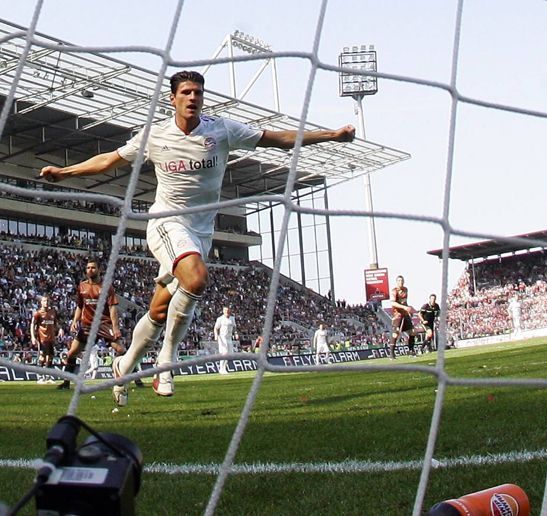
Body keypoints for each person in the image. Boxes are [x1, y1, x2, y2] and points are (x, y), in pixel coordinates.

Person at [39, 70, 355, 405]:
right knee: (197, 277)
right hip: (166, 223)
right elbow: (111, 160)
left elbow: (277, 139)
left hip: (202, 231)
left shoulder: (221, 130)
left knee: (159, 312)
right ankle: (166, 362)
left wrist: (331, 135)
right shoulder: (156, 134)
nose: (193, 98)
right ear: (172, 98)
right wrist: (64, 172)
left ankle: (124, 364)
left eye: (198, 93)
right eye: (186, 92)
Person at [58, 259, 125, 390]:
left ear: (99, 270)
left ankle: (135, 379)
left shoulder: (107, 286)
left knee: (121, 350)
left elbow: (112, 308)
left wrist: (115, 327)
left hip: (104, 324)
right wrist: (74, 321)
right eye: (88, 268)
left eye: (93, 268)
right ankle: (66, 383)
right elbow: (79, 306)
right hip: (87, 325)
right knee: (72, 353)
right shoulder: (82, 286)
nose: (90, 270)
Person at [30, 295, 61, 385]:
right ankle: (40, 377)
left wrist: (60, 329)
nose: (46, 302)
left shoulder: (53, 312)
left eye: (47, 301)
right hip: (42, 339)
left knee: (50, 357)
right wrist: (33, 336)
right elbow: (32, 324)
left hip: (51, 339)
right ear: (41, 302)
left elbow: (56, 323)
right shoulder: (38, 313)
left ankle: (48, 377)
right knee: (42, 356)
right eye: (44, 301)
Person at [389, 275, 415, 358]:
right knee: (395, 333)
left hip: (405, 313)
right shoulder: (394, 291)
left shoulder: (405, 289)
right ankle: (392, 354)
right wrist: (404, 307)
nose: (401, 282)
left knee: (412, 332)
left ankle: (411, 351)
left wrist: (408, 310)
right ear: (396, 282)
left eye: (402, 280)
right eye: (399, 280)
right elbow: (393, 303)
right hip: (397, 314)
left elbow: (404, 302)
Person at [213, 306, 237, 375]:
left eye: (228, 310)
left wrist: (235, 333)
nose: (227, 311)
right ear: (223, 311)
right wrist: (216, 335)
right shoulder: (220, 319)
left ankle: (224, 368)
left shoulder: (232, 318)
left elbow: (234, 327)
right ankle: (221, 369)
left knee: (229, 354)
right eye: (225, 310)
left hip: (229, 337)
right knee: (224, 353)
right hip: (222, 337)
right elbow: (216, 328)